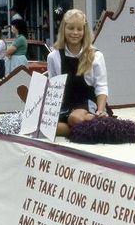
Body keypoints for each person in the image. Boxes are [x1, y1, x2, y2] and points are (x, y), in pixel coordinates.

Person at [47, 9, 112, 137]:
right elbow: (53, 88)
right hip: (65, 105)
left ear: (85, 31)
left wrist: (100, 110)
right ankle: (86, 130)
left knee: (74, 119)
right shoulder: (53, 57)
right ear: (63, 30)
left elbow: (101, 86)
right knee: (51, 127)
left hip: (87, 104)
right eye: (71, 28)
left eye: (79, 29)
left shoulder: (96, 55)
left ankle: (100, 120)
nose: (75, 33)